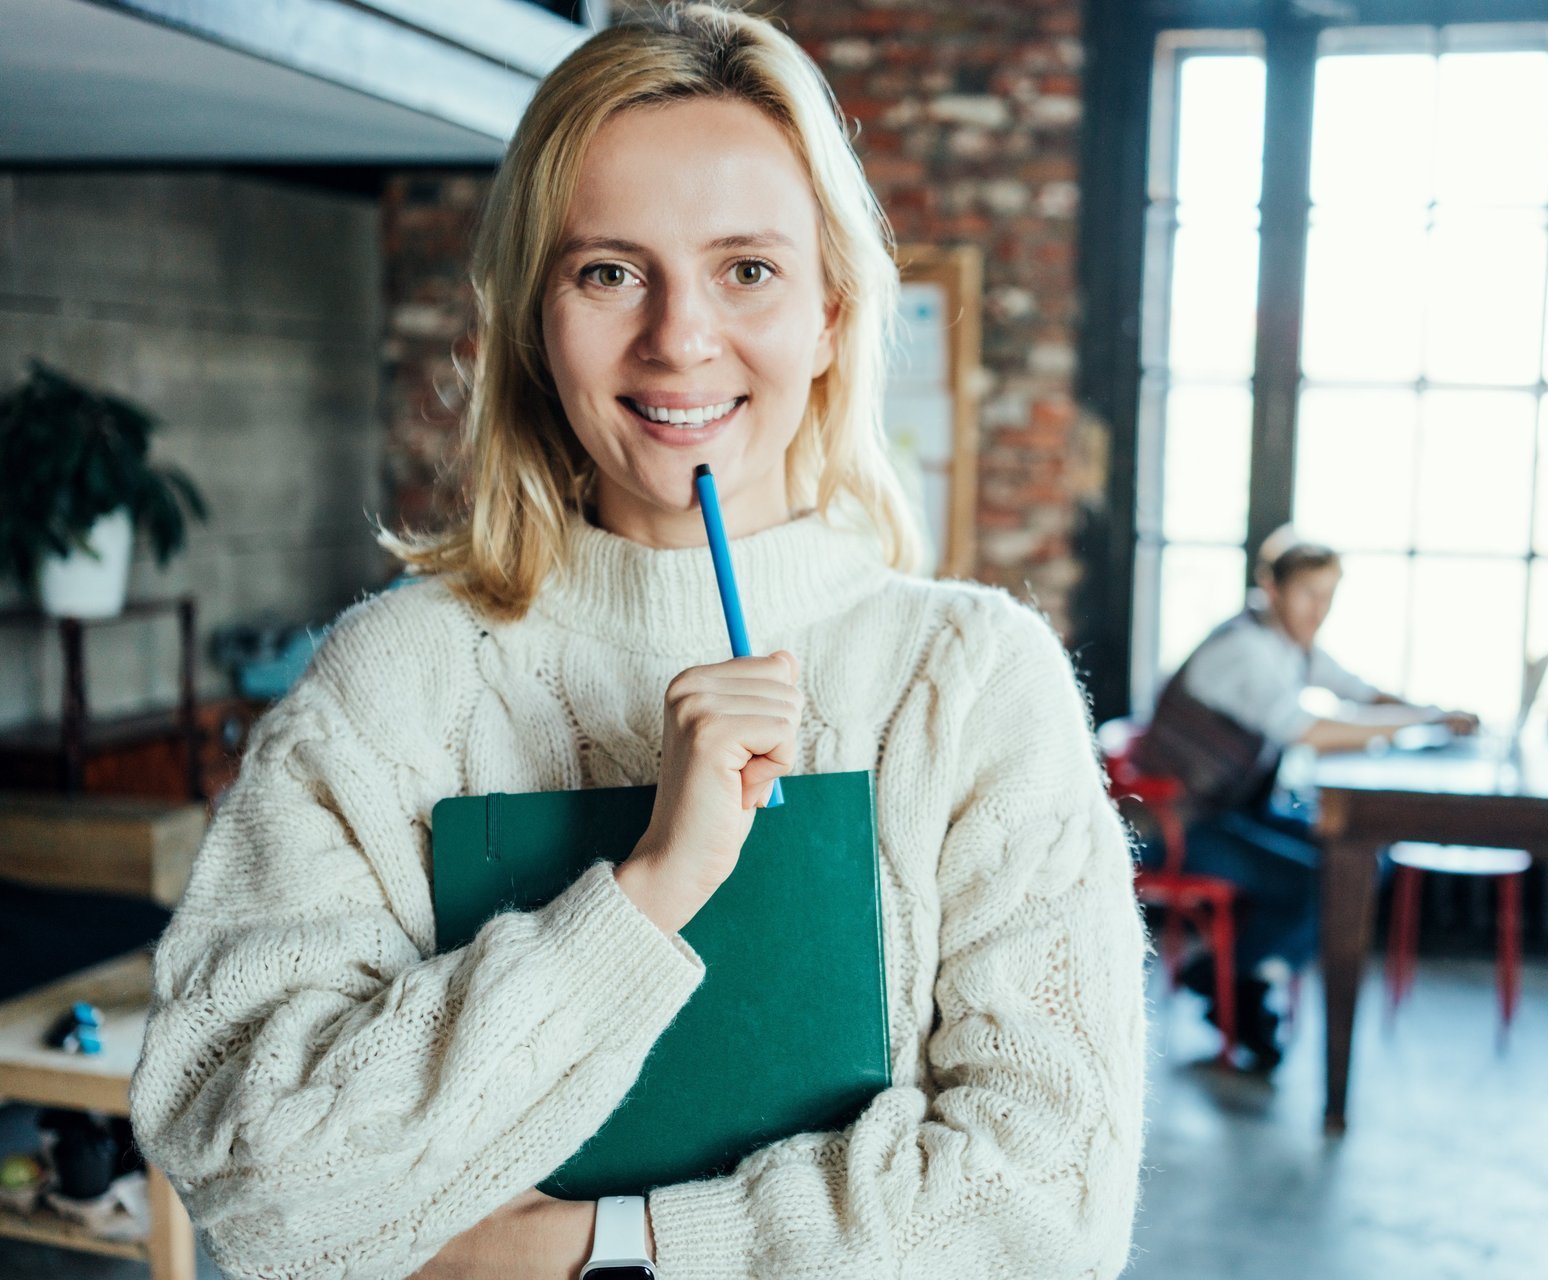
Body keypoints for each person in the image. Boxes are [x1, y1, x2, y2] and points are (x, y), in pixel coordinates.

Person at [127, 8, 1148, 1277]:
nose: (679, 337)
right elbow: (257, 1184)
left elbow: (1044, 1215)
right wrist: (645, 890)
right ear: (535, 322)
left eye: (748, 270)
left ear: (831, 311)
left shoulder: (973, 685)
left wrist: (597, 1246)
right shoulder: (389, 687)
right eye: (609, 270)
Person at [1134, 527, 1475, 1069]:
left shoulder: (1287, 644)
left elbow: (1358, 691)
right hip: (1177, 826)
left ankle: (1234, 974)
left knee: (1360, 861)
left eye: (1329, 598)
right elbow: (1305, 729)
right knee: (1331, 878)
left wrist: (1431, 712)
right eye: (1308, 595)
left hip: (1229, 812)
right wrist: (1410, 724)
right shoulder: (1245, 650)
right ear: (1271, 590)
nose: (1319, 611)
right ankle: (1235, 980)